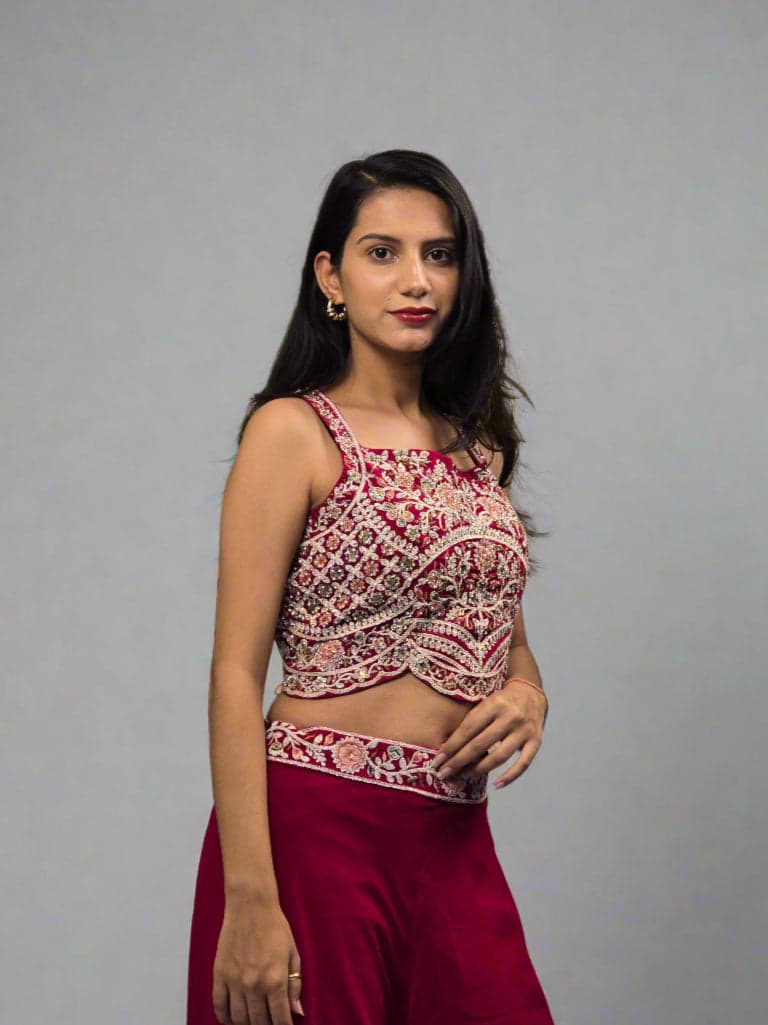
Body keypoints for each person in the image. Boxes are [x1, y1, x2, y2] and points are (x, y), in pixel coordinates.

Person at [186, 148, 556, 1025]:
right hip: (317, 830)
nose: (415, 278)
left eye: (439, 253)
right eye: (381, 252)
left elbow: (502, 627)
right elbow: (236, 675)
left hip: (452, 839)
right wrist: (251, 898)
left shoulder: (477, 447)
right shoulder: (293, 433)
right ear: (332, 276)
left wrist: (531, 692)